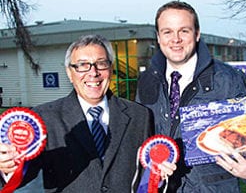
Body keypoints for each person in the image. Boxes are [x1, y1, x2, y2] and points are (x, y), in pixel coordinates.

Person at [0, 34, 176, 192]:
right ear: (70, 73)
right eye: (83, 65)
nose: (93, 73)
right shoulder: (44, 118)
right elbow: (24, 177)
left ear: (110, 69)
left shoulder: (140, 115)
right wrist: (7, 167)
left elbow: (148, 175)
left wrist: (160, 174)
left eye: (101, 63)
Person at [136, 0, 246, 192]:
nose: (176, 39)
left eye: (184, 31)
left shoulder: (227, 79)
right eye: (168, 32)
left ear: (197, 34)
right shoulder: (147, 80)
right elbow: (141, 139)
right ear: (158, 36)